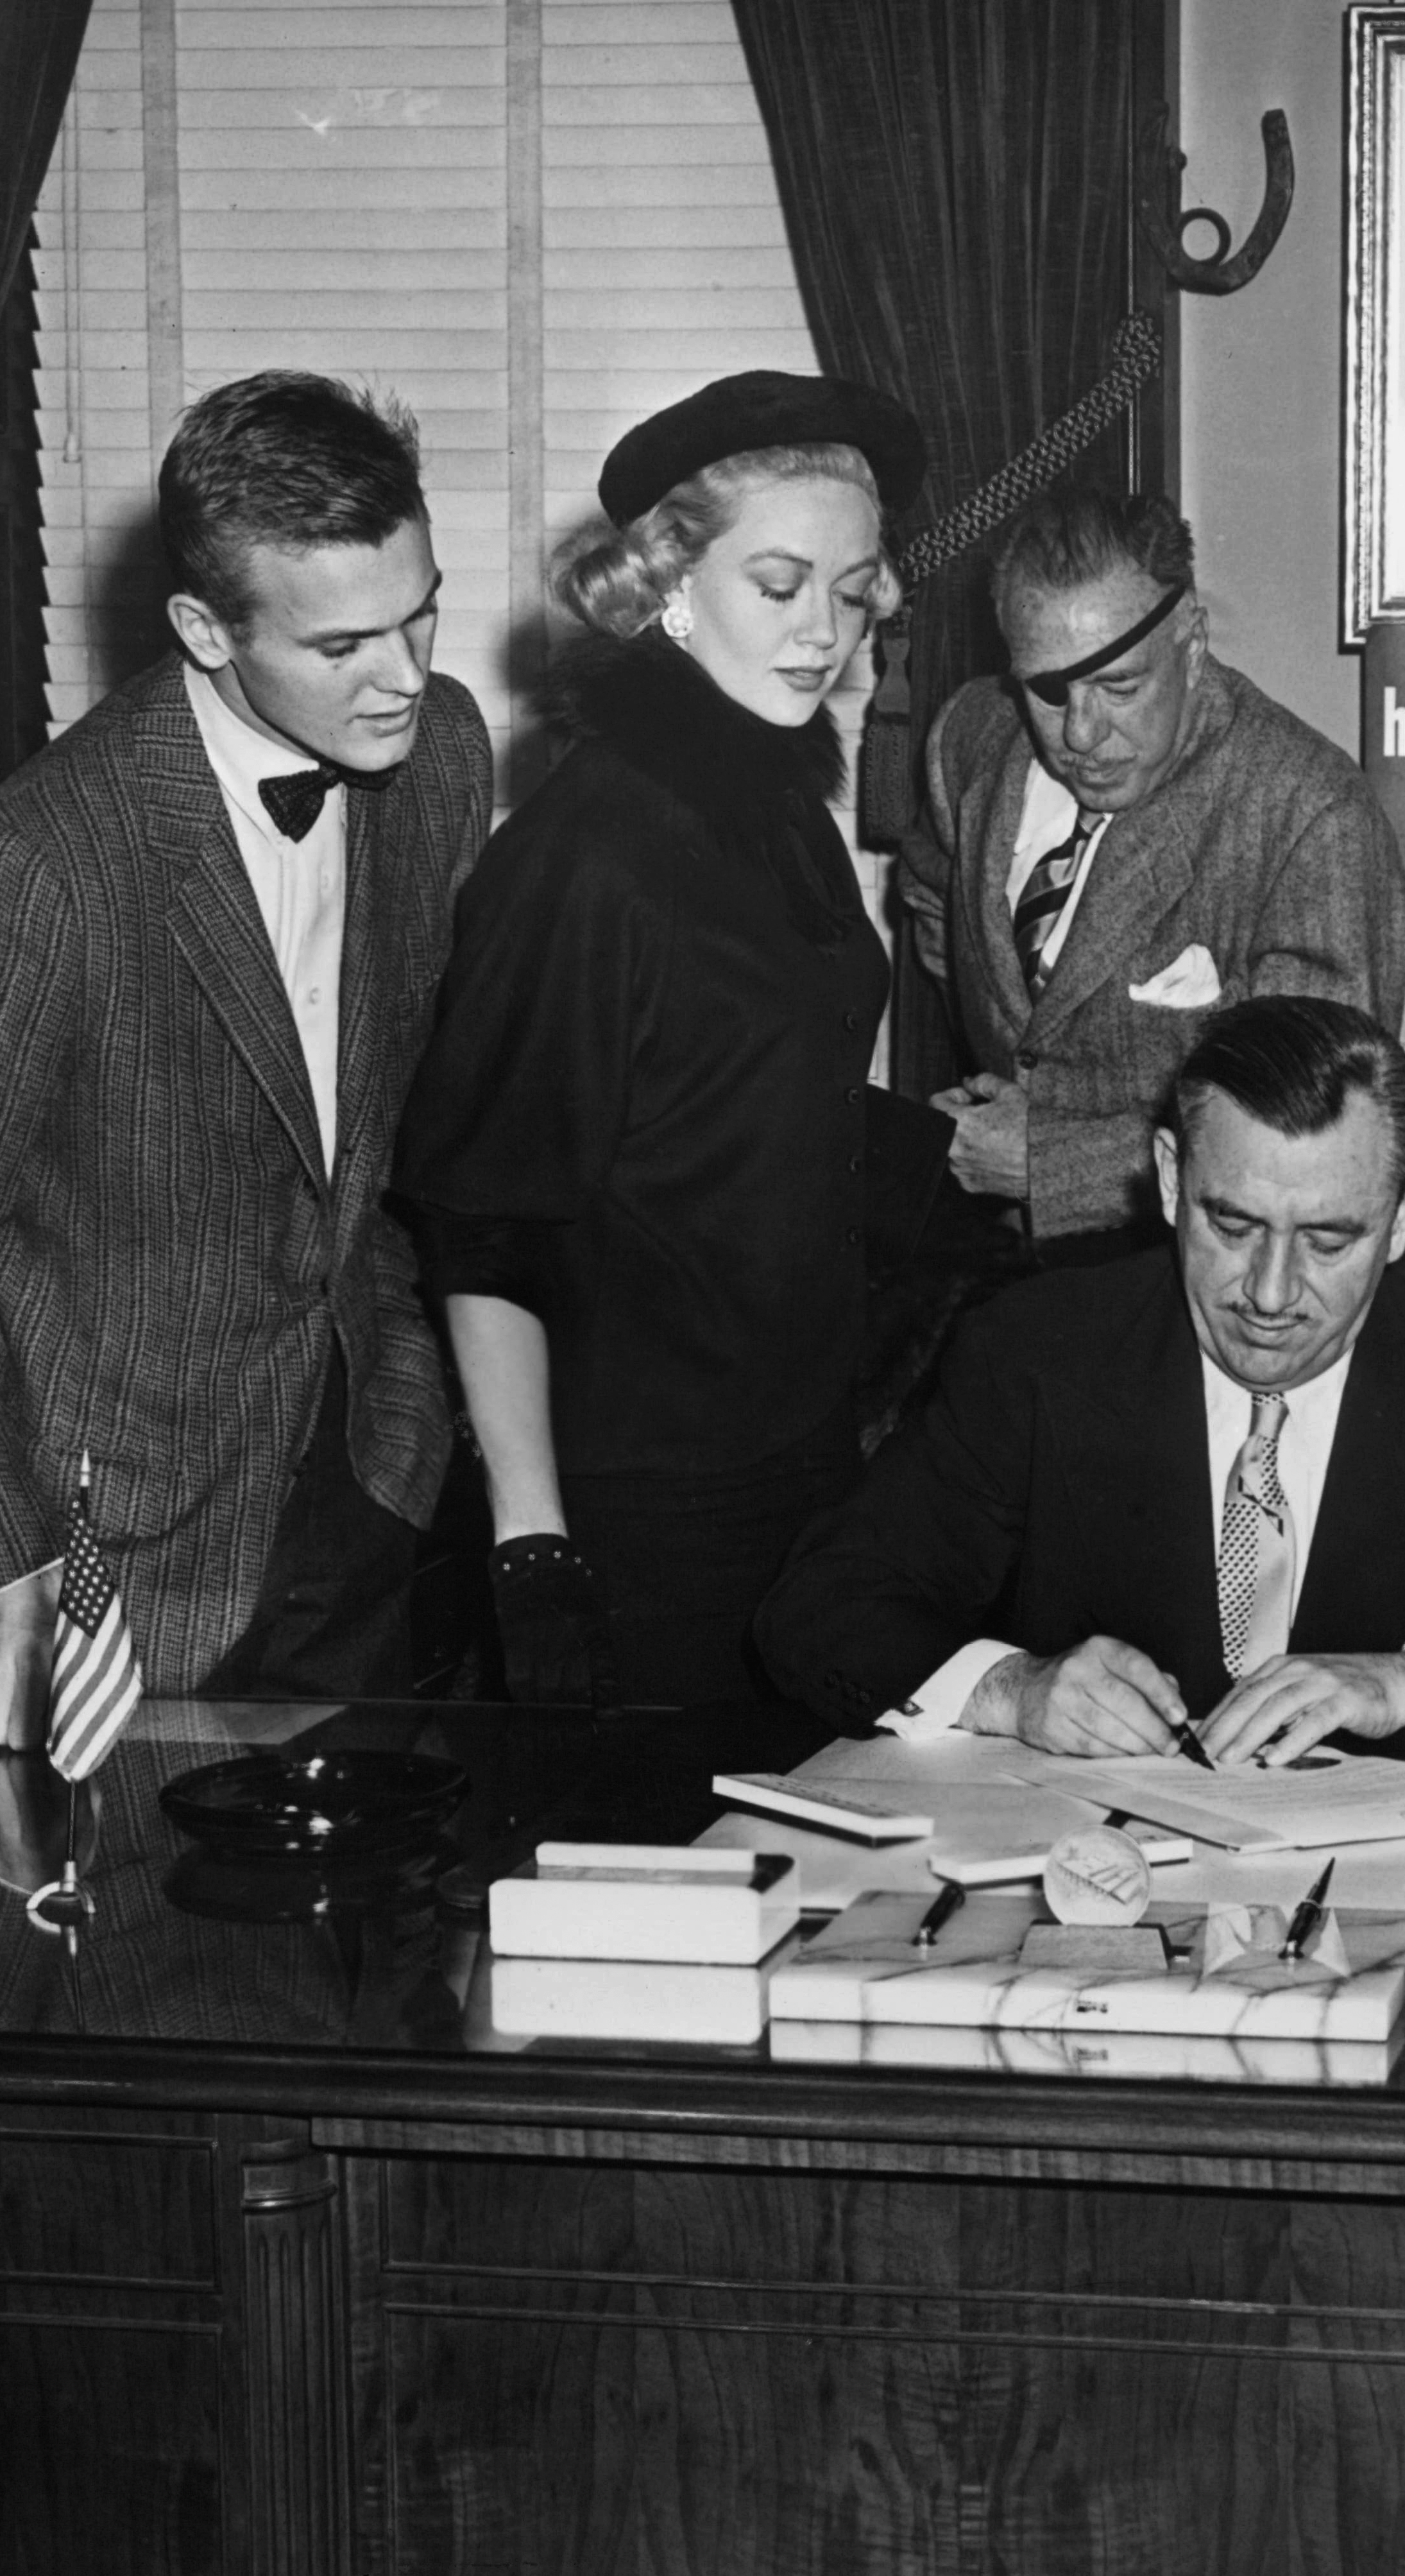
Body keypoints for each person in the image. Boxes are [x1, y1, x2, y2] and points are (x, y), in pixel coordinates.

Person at [0, 372, 491, 1728]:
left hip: (362, 1470)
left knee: (352, 1931)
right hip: (117, 1557)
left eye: (421, 612)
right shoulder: (35, 871)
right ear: (202, 631)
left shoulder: (442, 757)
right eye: (341, 647)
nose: (404, 676)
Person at [759, 997, 1405, 1762]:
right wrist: (1014, 1689)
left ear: (1402, 1220)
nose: (1271, 1293)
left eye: (1328, 1239)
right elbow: (819, 1606)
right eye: (1231, 1225)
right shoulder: (1037, 1354)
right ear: (1171, 1178)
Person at [393, 371, 933, 1707]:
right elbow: (484, 1234)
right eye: (780, 583)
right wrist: (534, 1546)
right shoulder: (584, 861)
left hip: (800, 1456)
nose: (826, 636)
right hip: (643, 1506)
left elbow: (735, 1100)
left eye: (852, 590)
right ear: (667, 588)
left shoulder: (773, 787)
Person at [917, 490, 1405, 1262]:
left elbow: (1307, 1130)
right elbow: (930, 894)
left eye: (1118, 687)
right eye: (1048, 690)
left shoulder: (1310, 821)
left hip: (1175, 1279)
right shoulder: (971, 737)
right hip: (992, 1274)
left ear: (1191, 642)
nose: (1079, 733)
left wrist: (1045, 1160)